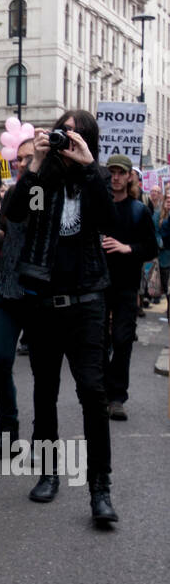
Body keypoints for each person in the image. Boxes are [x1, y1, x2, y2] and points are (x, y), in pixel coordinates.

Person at [4, 110, 118, 525]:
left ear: (87, 139)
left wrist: (88, 168)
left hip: (88, 298)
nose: (67, 138)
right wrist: (34, 163)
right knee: (45, 390)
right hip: (44, 301)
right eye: (62, 131)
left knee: (93, 392)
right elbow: (15, 213)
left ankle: (100, 489)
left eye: (75, 133)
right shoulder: (43, 181)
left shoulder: (97, 178)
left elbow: (108, 220)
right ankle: (49, 473)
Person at [102, 153, 160, 420]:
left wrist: (128, 248)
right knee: (98, 342)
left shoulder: (138, 210)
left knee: (123, 340)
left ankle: (116, 397)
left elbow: (151, 248)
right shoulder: (98, 206)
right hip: (97, 284)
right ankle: (100, 391)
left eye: (120, 173)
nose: (115, 177)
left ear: (129, 177)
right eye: (112, 172)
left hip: (125, 286)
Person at [0, 132, 35, 445]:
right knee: (0, 360)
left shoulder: (53, 193)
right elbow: (8, 226)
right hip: (6, 289)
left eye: (28, 158)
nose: (21, 164)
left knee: (45, 375)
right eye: (19, 159)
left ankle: (43, 441)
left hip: (38, 293)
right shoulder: (12, 193)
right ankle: (9, 431)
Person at [154, 187, 170, 323]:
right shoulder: (159, 215)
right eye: (168, 199)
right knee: (166, 287)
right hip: (164, 257)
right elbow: (155, 232)